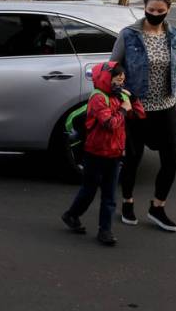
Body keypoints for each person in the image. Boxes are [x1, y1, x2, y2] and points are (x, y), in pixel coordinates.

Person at [111, 0, 176, 232]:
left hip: (166, 107)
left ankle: (157, 207)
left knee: (172, 160)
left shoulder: (175, 35)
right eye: (151, 10)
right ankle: (127, 202)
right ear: (144, 8)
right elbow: (113, 69)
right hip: (136, 108)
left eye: (160, 11)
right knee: (133, 159)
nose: (155, 14)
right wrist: (122, 98)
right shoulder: (129, 35)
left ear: (168, 10)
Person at [62, 62, 144, 245]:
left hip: (114, 154)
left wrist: (134, 99)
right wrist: (123, 108)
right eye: (117, 80)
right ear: (106, 78)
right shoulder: (98, 98)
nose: (120, 84)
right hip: (95, 153)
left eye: (123, 81)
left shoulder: (120, 95)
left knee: (109, 196)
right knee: (89, 190)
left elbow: (139, 115)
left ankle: (104, 231)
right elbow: (109, 123)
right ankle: (71, 214)